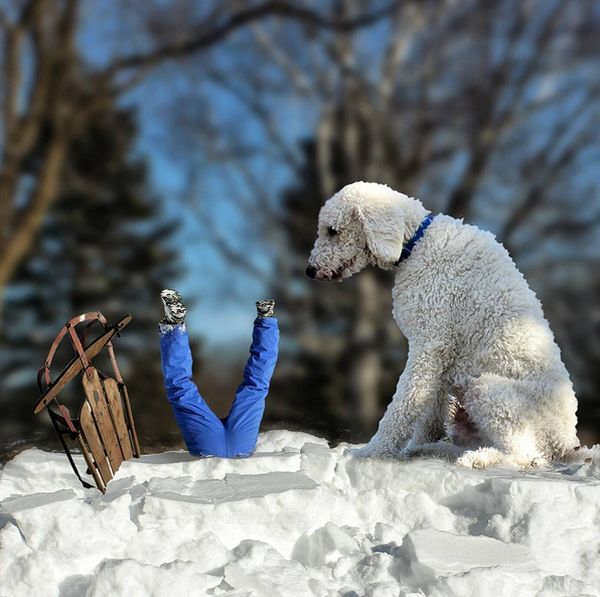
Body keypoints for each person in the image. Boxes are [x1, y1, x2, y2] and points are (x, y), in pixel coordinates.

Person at [158, 289, 279, 458]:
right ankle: (174, 325)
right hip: (210, 448)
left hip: (241, 445)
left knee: (257, 385)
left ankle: (266, 318)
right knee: (180, 388)